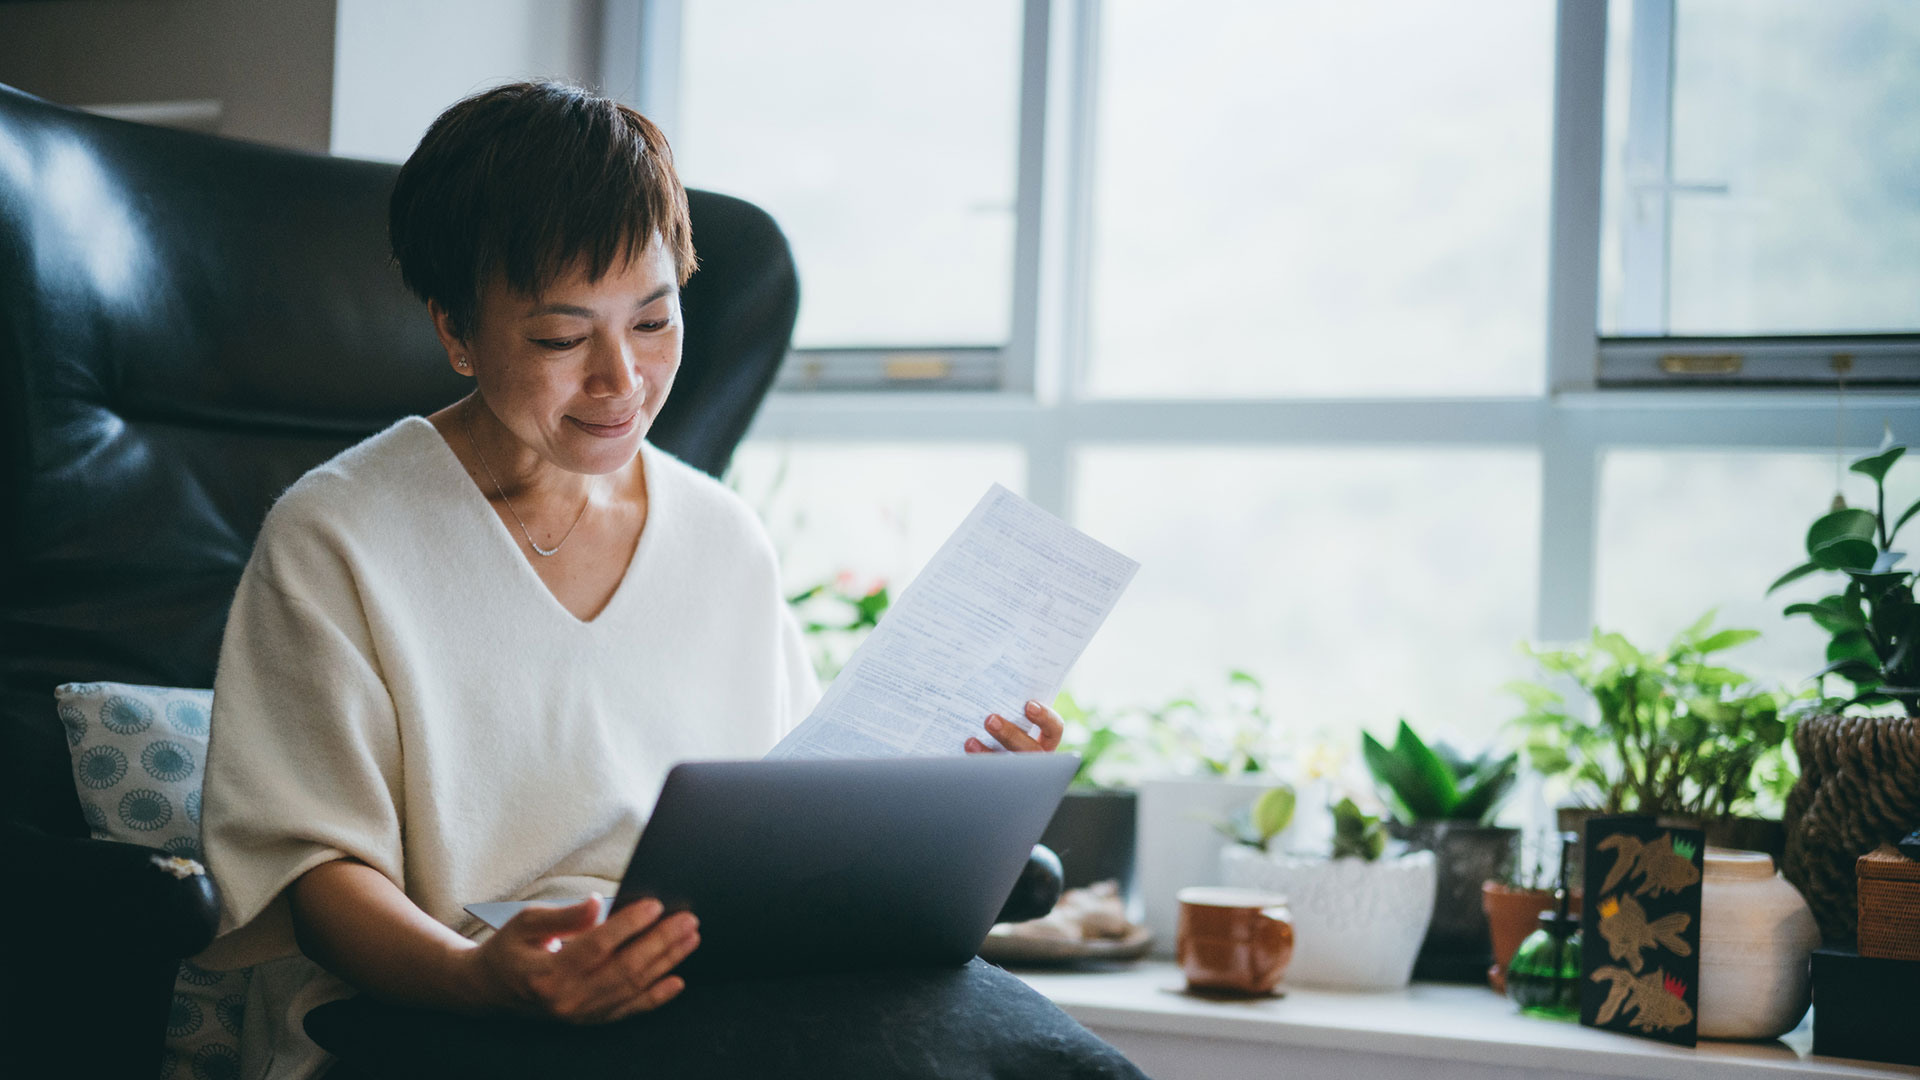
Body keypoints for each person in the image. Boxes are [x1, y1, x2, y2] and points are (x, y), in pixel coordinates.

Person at [196, 81, 1065, 1079]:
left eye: (653, 323)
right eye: (563, 339)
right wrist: (480, 978)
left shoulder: (723, 537)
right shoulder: (337, 536)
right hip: (441, 1012)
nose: (620, 381)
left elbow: (795, 824)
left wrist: (958, 798)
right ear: (456, 332)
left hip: (720, 990)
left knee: (1038, 1057)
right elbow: (316, 874)